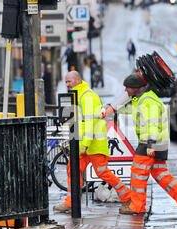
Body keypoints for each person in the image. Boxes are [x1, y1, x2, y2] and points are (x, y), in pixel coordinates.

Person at [115, 74, 177, 223]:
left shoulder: (147, 102)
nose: (125, 90)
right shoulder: (141, 100)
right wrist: (110, 108)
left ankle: (137, 206)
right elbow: (127, 110)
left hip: (150, 143)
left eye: (128, 87)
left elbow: (151, 124)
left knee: (138, 172)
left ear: (137, 88)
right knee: (160, 173)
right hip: (158, 143)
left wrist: (150, 145)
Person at [52, 71, 132, 213]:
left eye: (69, 81)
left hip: (92, 143)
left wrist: (86, 144)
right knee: (73, 170)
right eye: (66, 82)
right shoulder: (76, 96)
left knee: (102, 172)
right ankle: (70, 202)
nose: (67, 85)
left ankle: (127, 196)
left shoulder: (87, 96)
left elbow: (90, 122)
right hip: (82, 144)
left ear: (78, 80)